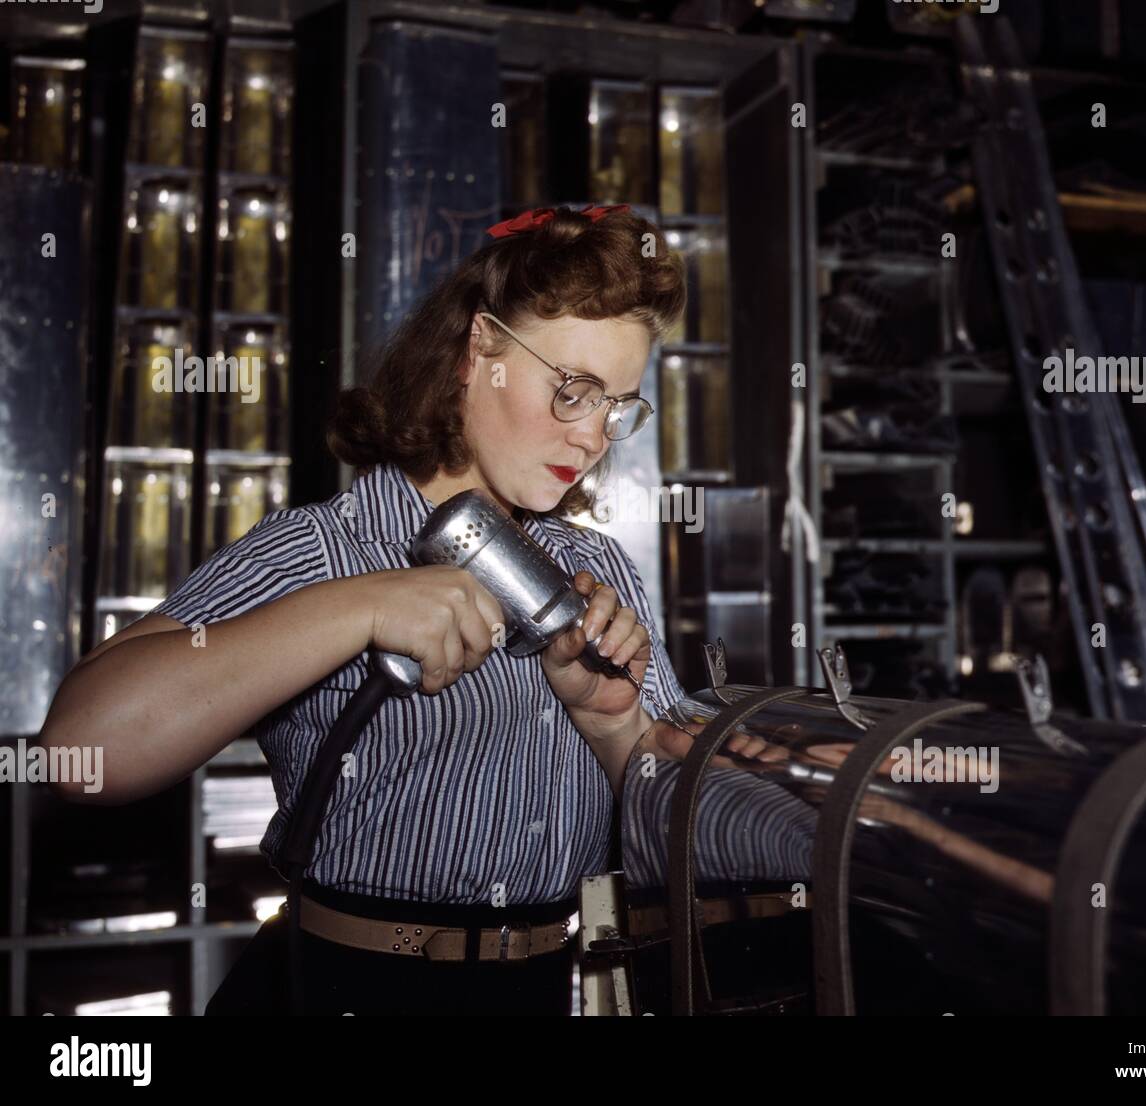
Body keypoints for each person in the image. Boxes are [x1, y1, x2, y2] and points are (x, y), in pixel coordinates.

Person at [38, 203, 693, 1014]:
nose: (593, 435)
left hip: (535, 991)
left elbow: (686, 847)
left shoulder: (598, 573)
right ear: (477, 348)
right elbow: (82, 753)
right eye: (573, 390)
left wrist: (612, 723)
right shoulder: (324, 549)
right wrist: (357, 607)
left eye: (617, 406)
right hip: (346, 988)